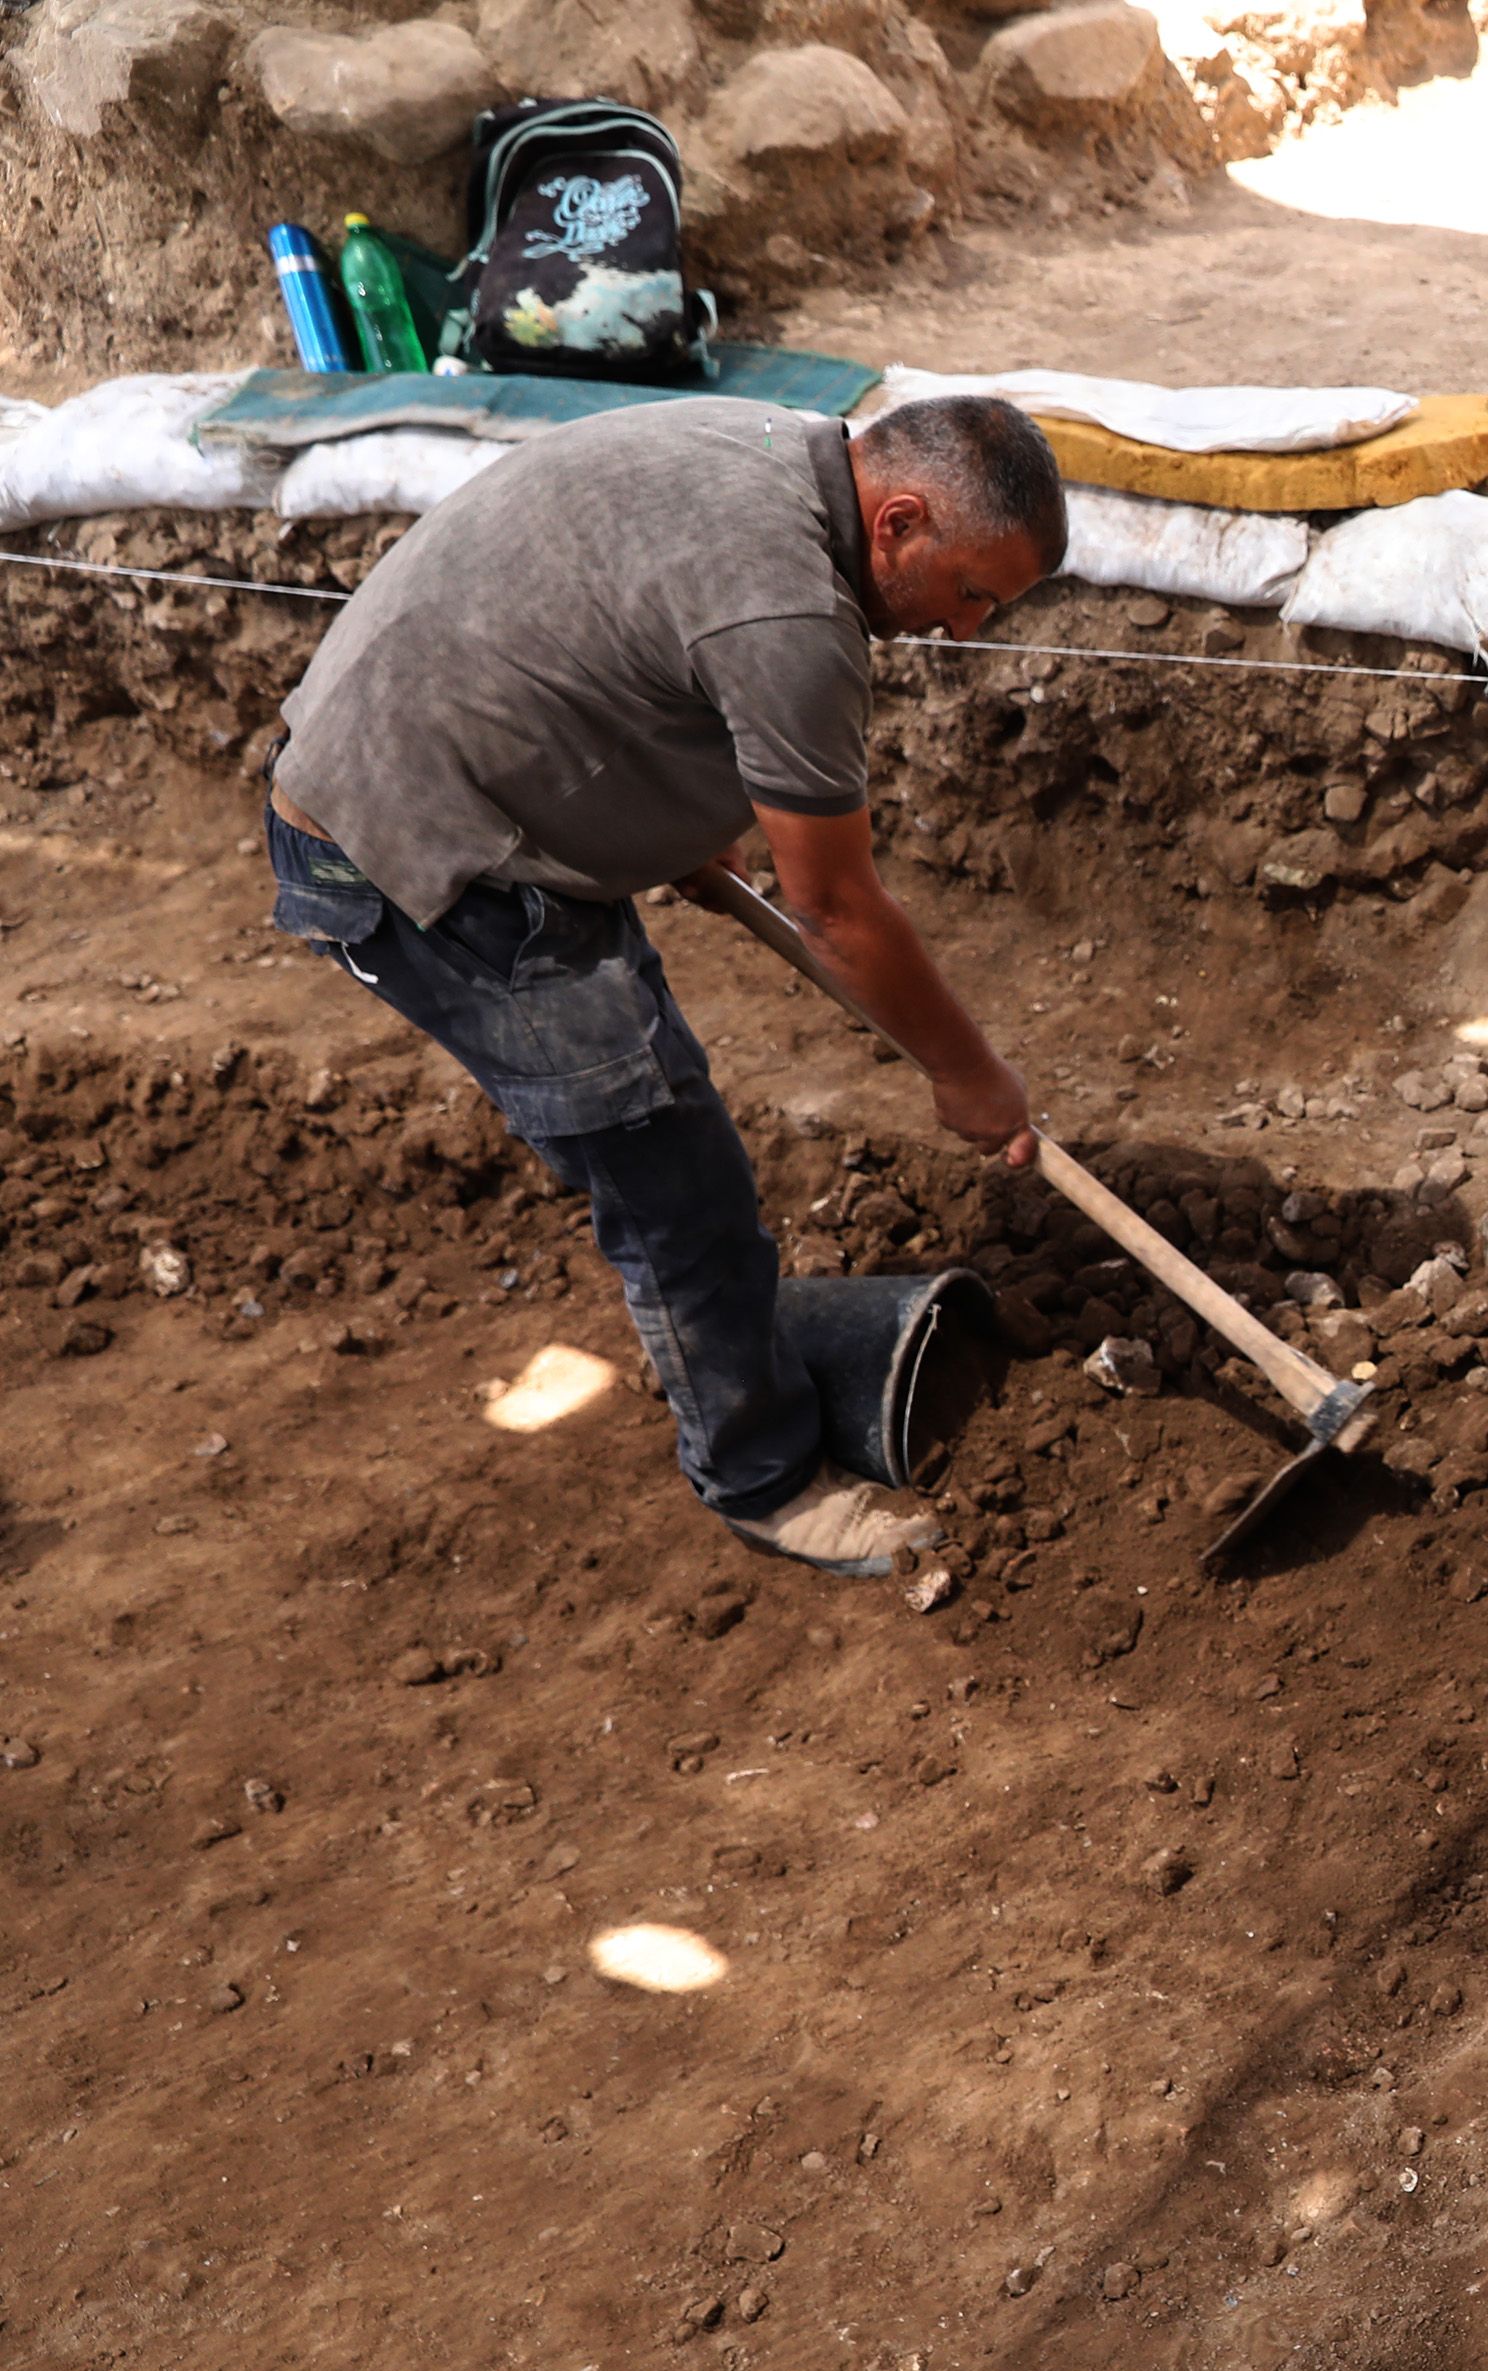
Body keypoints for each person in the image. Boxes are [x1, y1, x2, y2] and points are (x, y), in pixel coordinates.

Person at [261, 393, 1066, 1575]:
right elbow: (835, 905)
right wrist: (966, 1072)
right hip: (418, 855)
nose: (966, 629)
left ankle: (744, 1361)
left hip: (435, 775)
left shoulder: (767, 448)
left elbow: (604, 617)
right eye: (972, 593)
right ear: (895, 521)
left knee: (668, 1141)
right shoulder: (792, 606)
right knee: (673, 1185)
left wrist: (664, 821)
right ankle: (766, 1477)